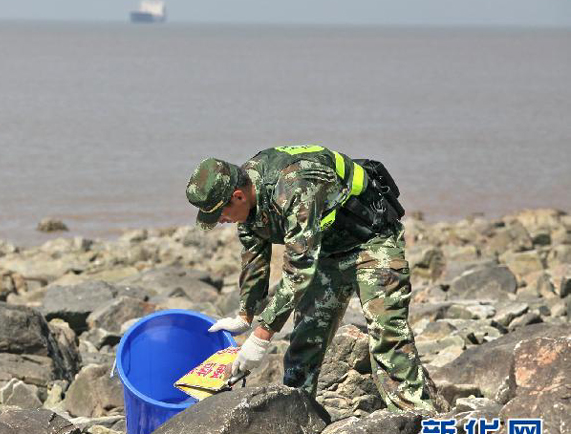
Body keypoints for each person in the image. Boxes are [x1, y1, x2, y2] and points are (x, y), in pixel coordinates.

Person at [186, 145, 443, 412]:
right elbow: (254, 256)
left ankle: (416, 421)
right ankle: (298, 416)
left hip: (371, 241)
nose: (221, 222)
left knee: (387, 333)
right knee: (305, 341)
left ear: (238, 196)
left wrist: (261, 336)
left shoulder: (293, 185)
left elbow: (299, 268)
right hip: (325, 252)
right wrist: (246, 315)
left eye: (221, 215)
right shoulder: (247, 194)